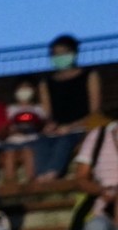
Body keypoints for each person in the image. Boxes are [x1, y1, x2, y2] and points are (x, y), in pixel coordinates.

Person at [36, 35, 103, 179]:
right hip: (58, 129)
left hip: (81, 127)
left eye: (63, 53)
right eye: (55, 54)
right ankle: (39, 175)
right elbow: (47, 113)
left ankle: (53, 173)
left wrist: (71, 127)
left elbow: (95, 111)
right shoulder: (46, 82)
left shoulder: (89, 75)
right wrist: (50, 125)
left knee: (65, 141)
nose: (59, 57)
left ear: (74, 53)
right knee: (41, 142)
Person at [71, 120, 118, 230]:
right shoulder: (99, 135)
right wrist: (102, 190)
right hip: (105, 212)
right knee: (95, 227)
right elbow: (81, 179)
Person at [0, 80, 47, 187]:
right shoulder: (10, 109)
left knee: (28, 152)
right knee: (9, 155)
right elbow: (5, 127)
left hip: (32, 140)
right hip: (12, 141)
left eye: (27, 88)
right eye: (21, 88)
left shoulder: (39, 109)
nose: (24, 91)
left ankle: (32, 183)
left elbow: (44, 124)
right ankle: (10, 184)